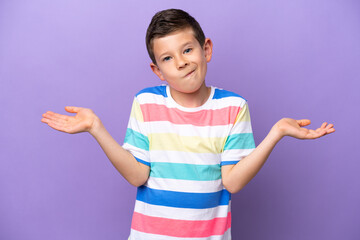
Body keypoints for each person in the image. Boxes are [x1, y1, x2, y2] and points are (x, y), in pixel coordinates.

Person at [41, 8, 335, 240]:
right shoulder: (146, 103)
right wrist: (96, 128)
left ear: (205, 49)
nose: (181, 62)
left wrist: (277, 133)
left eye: (187, 50)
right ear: (158, 71)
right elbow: (137, 175)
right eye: (168, 58)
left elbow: (232, 181)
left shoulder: (233, 107)